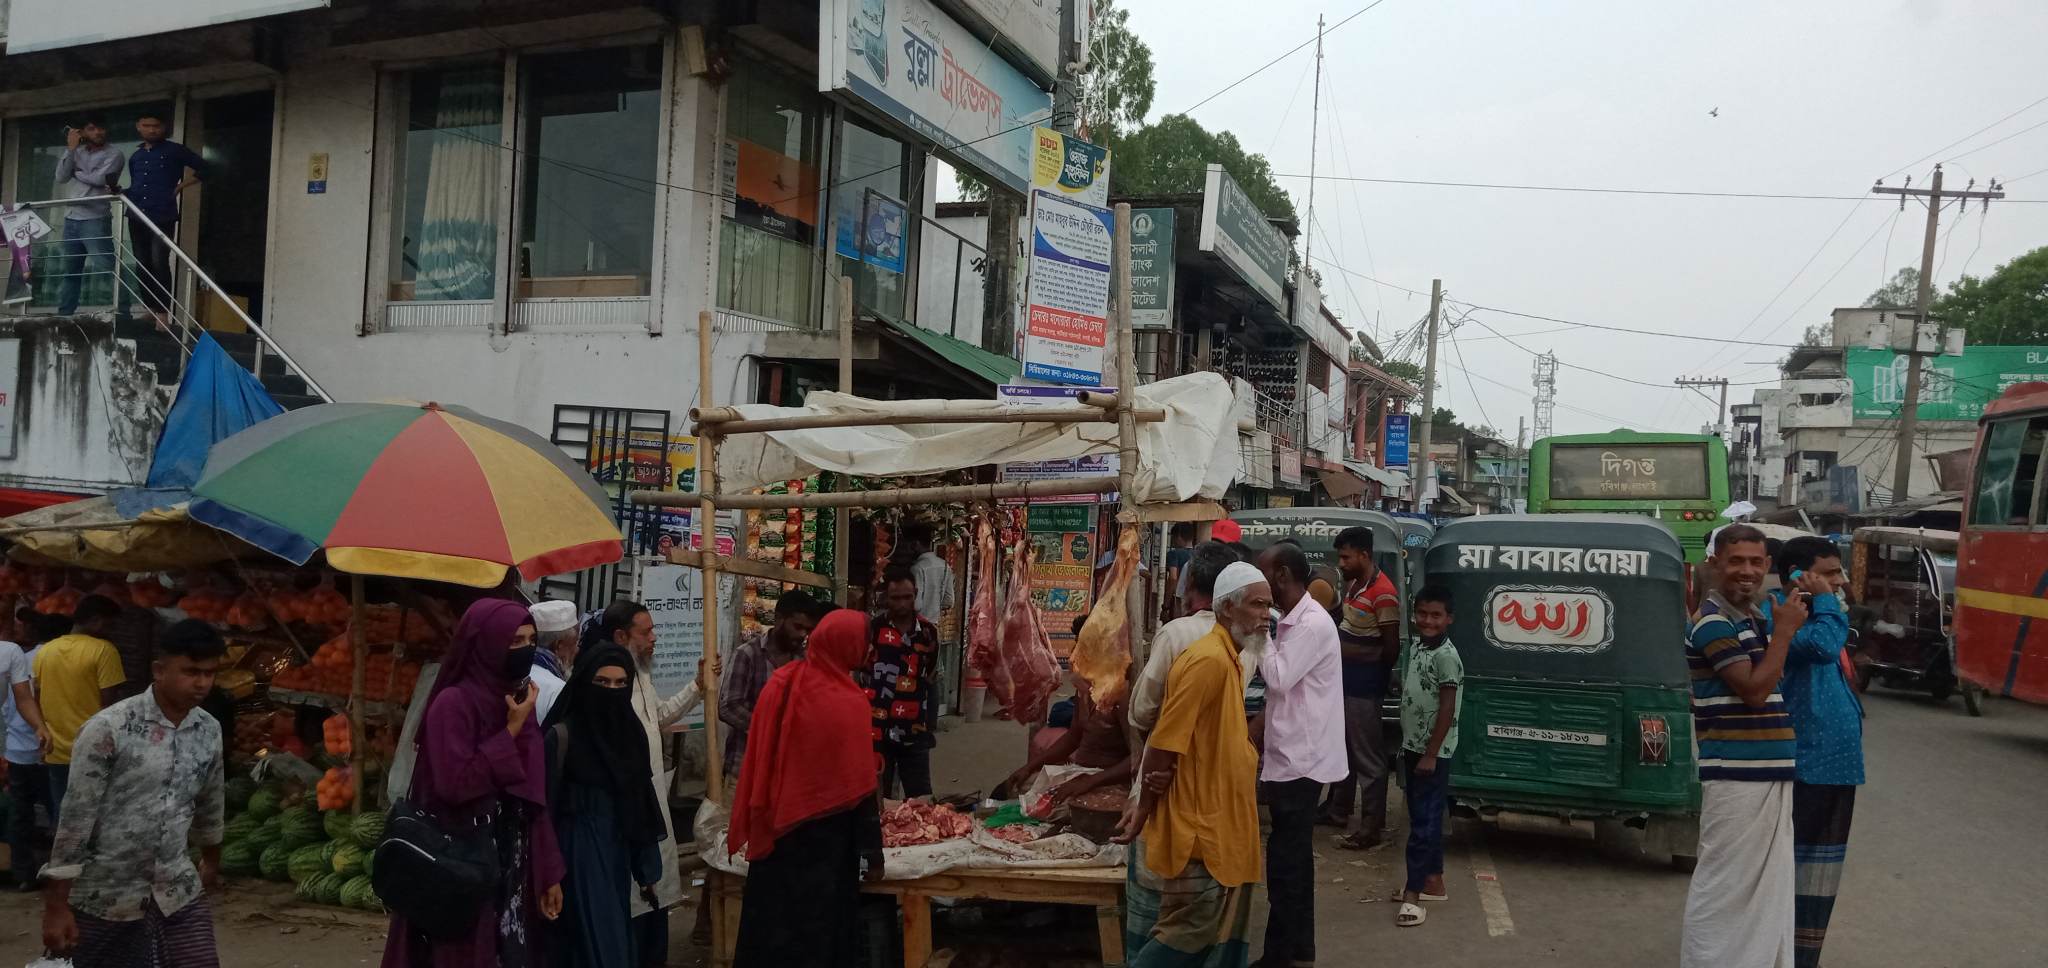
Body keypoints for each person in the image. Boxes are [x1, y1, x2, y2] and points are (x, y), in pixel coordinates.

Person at [382, 599, 564, 968]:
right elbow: (456, 784)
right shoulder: (454, 704)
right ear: (485, 645)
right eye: (513, 641)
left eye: (531, 640)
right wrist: (511, 730)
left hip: (510, 867)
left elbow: (533, 799)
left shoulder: (516, 699)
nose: (525, 650)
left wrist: (548, 873)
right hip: (460, 863)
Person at [39, 619, 226, 968]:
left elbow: (211, 800)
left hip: (177, 890)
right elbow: (75, 818)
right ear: (159, 670)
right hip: (106, 896)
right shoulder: (109, 729)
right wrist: (57, 905)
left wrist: (211, 860)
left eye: (209, 673)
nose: (201, 683)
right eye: (190, 671)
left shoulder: (208, 729)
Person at [1114, 561, 1267, 968]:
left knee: (1202, 935)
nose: (1265, 616)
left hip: (1217, 821)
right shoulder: (1209, 660)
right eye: (1256, 605)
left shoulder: (1230, 657)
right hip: (1199, 828)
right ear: (1227, 609)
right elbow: (1164, 740)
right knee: (1189, 934)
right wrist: (1144, 804)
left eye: (1268, 606)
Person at [1681, 524, 1807, 968]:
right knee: (1724, 887)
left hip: (1764, 773)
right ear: (1715, 565)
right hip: (1736, 776)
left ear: (1768, 566)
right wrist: (1787, 633)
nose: (1747, 571)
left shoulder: (1750, 618)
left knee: (1763, 891)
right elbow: (1753, 691)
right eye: (1736, 561)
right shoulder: (1713, 622)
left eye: (1756, 562)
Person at [728, 609, 884, 968]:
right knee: (817, 934)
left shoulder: (782, 682)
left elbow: (761, 758)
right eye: (864, 643)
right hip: (826, 845)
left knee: (771, 928)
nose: (868, 650)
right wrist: (873, 853)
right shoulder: (848, 702)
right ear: (847, 646)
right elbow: (860, 788)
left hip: (777, 831)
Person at [1762, 536, 1862, 968]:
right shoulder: (1779, 616)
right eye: (1831, 572)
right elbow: (1821, 647)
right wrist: (1824, 602)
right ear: (1798, 576)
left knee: (1818, 875)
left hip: (1835, 768)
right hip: (1808, 765)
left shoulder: (1822, 614)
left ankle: (1801, 957)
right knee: (1791, 872)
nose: (1839, 581)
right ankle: (1776, 954)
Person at [596, 599, 709, 965]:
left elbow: (657, 717)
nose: (654, 638)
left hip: (652, 805)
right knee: (629, 910)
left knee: (654, 903)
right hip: (625, 814)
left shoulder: (640, 673)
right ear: (620, 636)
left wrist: (697, 686)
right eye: (646, 633)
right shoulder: (606, 684)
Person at [543, 642, 667, 968]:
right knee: (601, 945)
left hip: (616, 855)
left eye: (620, 684)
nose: (612, 691)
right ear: (585, 682)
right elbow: (543, 811)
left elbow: (640, 799)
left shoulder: (630, 735)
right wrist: (548, 874)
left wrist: (646, 868)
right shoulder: (561, 738)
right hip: (575, 854)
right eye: (602, 683)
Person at [1253, 541, 1347, 965]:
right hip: (1295, 755)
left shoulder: (1310, 624)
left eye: (1264, 574)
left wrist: (1258, 635)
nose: (1260, 584)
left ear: (1283, 576)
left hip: (1300, 761)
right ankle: (1298, 951)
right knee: (1295, 861)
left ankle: (1279, 957)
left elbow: (1277, 678)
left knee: (1285, 864)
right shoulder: (1296, 620)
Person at [1324, 525, 1401, 847]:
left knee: (1368, 757)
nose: (1341, 563)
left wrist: (1346, 651)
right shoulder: (1357, 585)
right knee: (1345, 750)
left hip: (1364, 685)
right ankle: (1338, 810)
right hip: (1348, 681)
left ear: (1364, 555)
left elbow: (1390, 648)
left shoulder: (1383, 592)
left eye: (1346, 557)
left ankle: (1371, 826)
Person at [1395, 585, 1463, 928]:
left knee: (1422, 824)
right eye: (1422, 613)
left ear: (1448, 619)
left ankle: (1412, 894)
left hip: (1431, 753)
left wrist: (1431, 754)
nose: (1427, 620)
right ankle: (1432, 880)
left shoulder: (1446, 656)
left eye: (1436, 615)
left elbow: (1447, 708)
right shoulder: (1420, 646)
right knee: (1426, 816)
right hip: (1414, 747)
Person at [31, 594, 126, 819]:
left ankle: (60, 854)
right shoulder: (104, 650)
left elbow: (37, 699)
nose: (111, 630)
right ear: (95, 620)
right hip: (92, 749)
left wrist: (44, 734)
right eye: (109, 623)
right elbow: (110, 706)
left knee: (63, 815)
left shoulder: (45, 651)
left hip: (56, 749)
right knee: (91, 819)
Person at [721, 590, 821, 783]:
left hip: (785, 775)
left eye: (807, 630)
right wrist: (771, 728)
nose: (802, 635)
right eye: (797, 626)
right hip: (744, 771)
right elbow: (728, 707)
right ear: (779, 619)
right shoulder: (748, 654)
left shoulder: (805, 661)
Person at [118, 113, 208, 326]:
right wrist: (119, 190)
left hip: (162, 213)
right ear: (138, 127)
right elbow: (137, 186)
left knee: (159, 261)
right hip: (137, 213)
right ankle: (149, 306)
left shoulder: (174, 150)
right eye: (146, 125)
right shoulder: (136, 156)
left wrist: (180, 186)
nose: (151, 130)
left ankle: (163, 312)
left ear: (163, 127)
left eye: (155, 126)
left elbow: (206, 168)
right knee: (142, 262)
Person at [869, 565, 940, 799]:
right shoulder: (873, 630)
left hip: (914, 729)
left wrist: (929, 725)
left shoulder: (928, 633)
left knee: (920, 799)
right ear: (886, 598)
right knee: (878, 799)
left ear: (916, 594)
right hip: (877, 729)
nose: (901, 604)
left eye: (907, 597)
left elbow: (929, 678)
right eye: (895, 598)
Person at [3, 610, 57, 889]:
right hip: (45, 748)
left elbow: (19, 702)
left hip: (16, 748)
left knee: (20, 813)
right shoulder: (49, 658)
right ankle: (61, 877)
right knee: (58, 811)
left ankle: (23, 874)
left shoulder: (18, 657)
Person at [52, 117, 124, 317]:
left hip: (95, 217)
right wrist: (71, 149)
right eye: (92, 129)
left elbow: (100, 179)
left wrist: (77, 173)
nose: (98, 132)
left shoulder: (114, 153)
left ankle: (124, 312)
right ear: (82, 132)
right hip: (72, 218)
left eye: (101, 127)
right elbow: (60, 177)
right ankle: (64, 314)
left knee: (106, 266)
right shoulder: (77, 152)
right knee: (71, 270)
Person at [527, 600, 581, 722]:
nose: (577, 650)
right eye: (575, 642)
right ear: (559, 645)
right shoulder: (557, 690)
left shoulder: (514, 673)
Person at [902, 521, 955, 624]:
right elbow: (949, 601)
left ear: (916, 543)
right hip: (934, 624)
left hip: (917, 625)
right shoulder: (944, 565)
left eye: (909, 544)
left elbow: (916, 605)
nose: (908, 549)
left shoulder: (917, 568)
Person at [1161, 523, 1196, 622]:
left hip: (1178, 600)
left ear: (1178, 537)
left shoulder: (1174, 554)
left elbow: (1173, 578)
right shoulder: (1199, 553)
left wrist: (1165, 606)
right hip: (1195, 600)